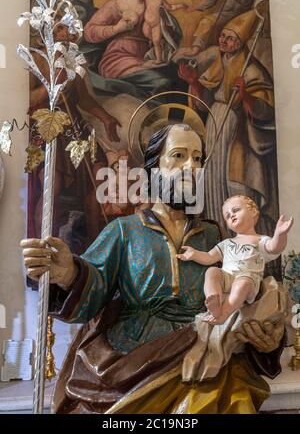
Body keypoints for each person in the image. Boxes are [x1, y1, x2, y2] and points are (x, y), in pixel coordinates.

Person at [21, 122, 285, 414]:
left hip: (205, 351)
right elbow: (93, 290)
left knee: (233, 398)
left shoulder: (213, 236)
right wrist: (69, 273)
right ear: (153, 169)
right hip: (134, 357)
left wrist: (266, 335)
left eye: (197, 158)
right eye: (179, 155)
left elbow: (244, 294)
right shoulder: (125, 231)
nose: (190, 167)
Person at [176, 10, 279, 245]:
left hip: (237, 134)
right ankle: (219, 242)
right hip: (215, 126)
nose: (224, 41)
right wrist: (193, 82)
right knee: (213, 182)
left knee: (233, 185)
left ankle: (244, 243)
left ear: (241, 43)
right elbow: (206, 103)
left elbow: (266, 110)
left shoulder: (251, 69)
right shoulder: (217, 64)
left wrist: (245, 95)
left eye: (231, 38)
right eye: (223, 36)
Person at [177, 195, 293, 325]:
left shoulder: (260, 240)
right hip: (227, 277)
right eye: (227, 215)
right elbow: (209, 257)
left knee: (241, 284)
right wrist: (194, 254)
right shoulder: (226, 243)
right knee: (212, 271)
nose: (231, 215)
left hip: (248, 281)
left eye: (236, 210)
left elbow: (274, 248)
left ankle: (223, 314)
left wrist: (280, 234)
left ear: (253, 212)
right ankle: (214, 298)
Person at [174, 0, 253, 58]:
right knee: (206, 22)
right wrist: (193, 8)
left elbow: (249, 0)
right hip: (226, 13)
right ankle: (197, 48)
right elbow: (210, 0)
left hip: (241, 14)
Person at [143, 0, 187, 64]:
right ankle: (161, 43)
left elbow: (170, 8)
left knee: (156, 41)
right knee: (146, 34)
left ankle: (159, 59)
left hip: (157, 24)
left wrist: (180, 5)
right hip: (147, 23)